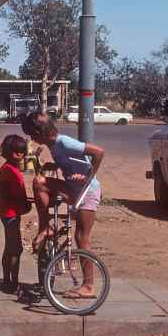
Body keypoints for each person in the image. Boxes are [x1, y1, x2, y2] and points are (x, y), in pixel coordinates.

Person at [22, 111, 104, 299]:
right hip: (72, 189)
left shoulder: (64, 142)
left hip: (87, 191)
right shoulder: (53, 146)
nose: (32, 139)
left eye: (33, 134)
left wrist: (87, 176)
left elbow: (99, 152)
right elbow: (73, 163)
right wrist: (55, 167)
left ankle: (88, 286)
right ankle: (46, 227)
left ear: (41, 132)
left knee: (82, 238)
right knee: (39, 182)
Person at [0, 134, 32, 293]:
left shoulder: (7, 168)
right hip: (11, 213)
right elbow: (16, 195)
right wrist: (27, 206)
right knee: (16, 249)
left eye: (22, 152)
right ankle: (13, 283)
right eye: (16, 152)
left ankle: (7, 280)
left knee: (10, 247)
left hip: (7, 212)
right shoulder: (11, 171)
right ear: (8, 151)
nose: (20, 155)